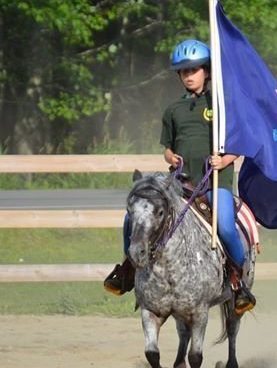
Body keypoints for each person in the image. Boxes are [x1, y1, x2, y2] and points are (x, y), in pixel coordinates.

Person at [104, 38, 256, 313]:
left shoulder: (221, 104)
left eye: (194, 70)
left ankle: (237, 281)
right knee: (133, 217)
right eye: (184, 72)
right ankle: (128, 269)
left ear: (206, 72)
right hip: (179, 184)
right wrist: (170, 157)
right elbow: (167, 148)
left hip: (214, 181)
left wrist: (225, 159)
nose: (189, 76)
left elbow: (240, 142)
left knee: (224, 225)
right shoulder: (172, 111)